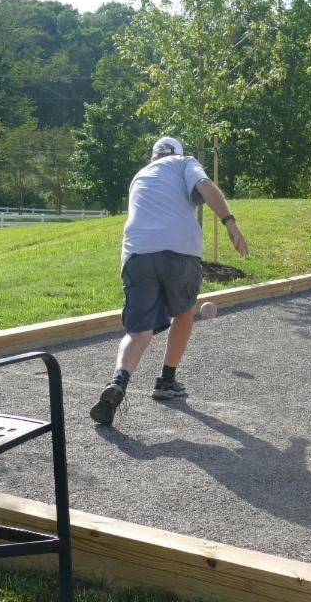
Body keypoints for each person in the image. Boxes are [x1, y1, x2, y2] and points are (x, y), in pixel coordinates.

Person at [90, 136, 248, 427]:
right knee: (184, 310)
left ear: (154, 157)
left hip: (136, 253)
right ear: (177, 153)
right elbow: (204, 186)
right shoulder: (184, 162)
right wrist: (229, 221)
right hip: (178, 250)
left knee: (138, 331)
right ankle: (166, 380)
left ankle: (119, 382)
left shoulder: (140, 175)